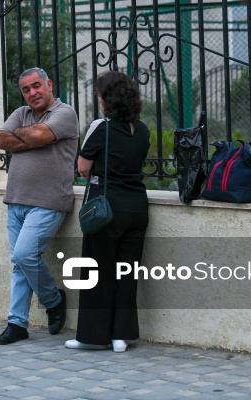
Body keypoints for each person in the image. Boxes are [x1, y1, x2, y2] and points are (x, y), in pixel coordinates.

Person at [0, 67, 79, 345]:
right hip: (16, 200)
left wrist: (23, 137)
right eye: (26, 89)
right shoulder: (21, 113)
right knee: (19, 263)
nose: (32, 93)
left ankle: (53, 300)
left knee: (24, 256)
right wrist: (31, 135)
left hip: (48, 202)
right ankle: (17, 323)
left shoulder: (65, 114)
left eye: (36, 86)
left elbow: (42, 135)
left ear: (48, 84)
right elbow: (0, 140)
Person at [65, 71, 150, 353]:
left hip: (107, 209)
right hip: (137, 208)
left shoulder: (101, 127)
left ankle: (92, 336)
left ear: (106, 99)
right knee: (127, 272)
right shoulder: (144, 129)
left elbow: (83, 168)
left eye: (100, 94)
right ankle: (120, 337)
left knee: (97, 272)